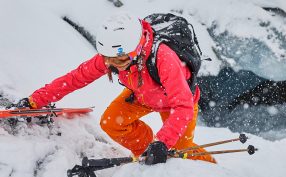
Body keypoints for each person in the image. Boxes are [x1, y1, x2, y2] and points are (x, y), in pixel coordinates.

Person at [17, 13, 216, 165]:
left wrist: (163, 142)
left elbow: (183, 107)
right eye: (108, 59)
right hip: (141, 94)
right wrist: (35, 100)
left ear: (137, 49)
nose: (114, 64)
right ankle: (149, 152)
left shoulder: (164, 58)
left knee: (180, 153)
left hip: (176, 104)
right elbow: (75, 78)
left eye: (120, 60)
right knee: (112, 123)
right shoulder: (111, 56)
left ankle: (211, 169)